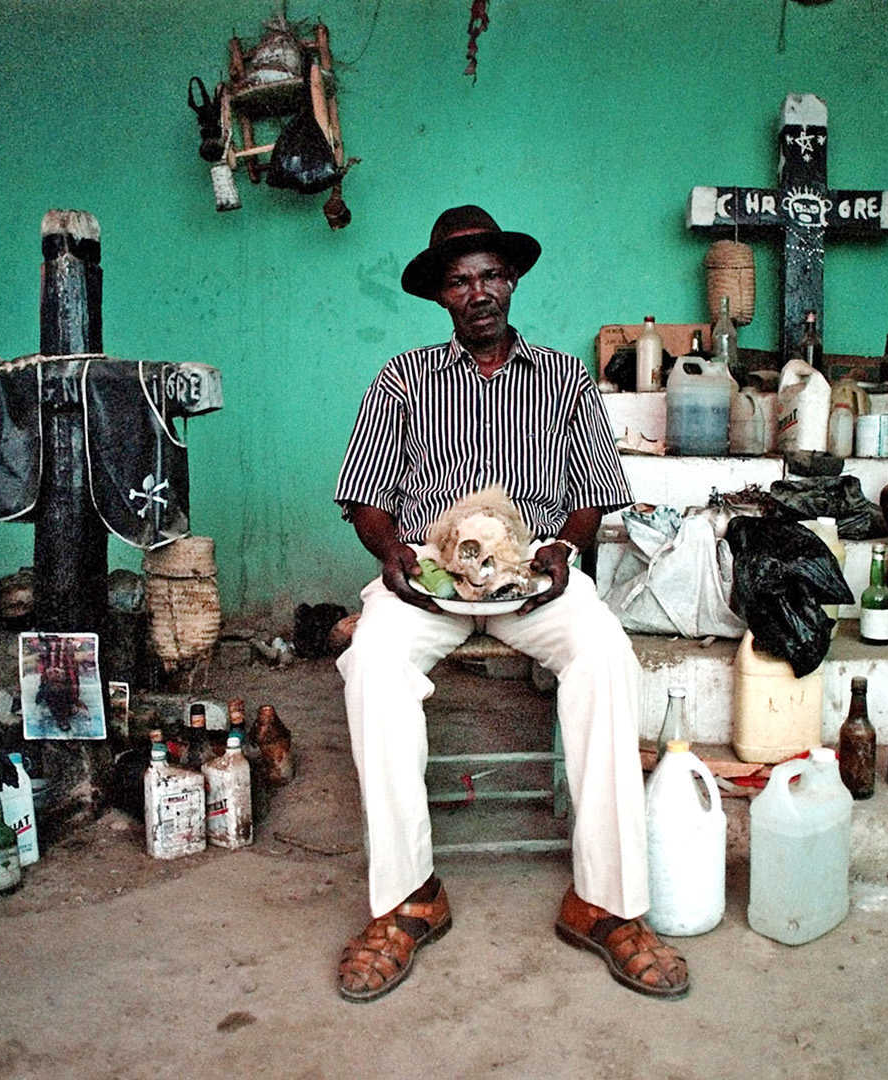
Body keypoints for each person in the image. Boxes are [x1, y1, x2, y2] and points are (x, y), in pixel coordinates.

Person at [331, 205, 689, 1003]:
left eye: (491, 274)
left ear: (513, 280)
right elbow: (366, 501)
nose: (479, 291)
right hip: (432, 570)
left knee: (604, 655)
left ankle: (605, 902)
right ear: (441, 296)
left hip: (531, 569)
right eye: (461, 280)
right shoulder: (403, 379)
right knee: (374, 663)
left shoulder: (563, 378)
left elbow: (591, 495)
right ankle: (409, 899)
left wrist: (564, 549)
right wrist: (392, 555)